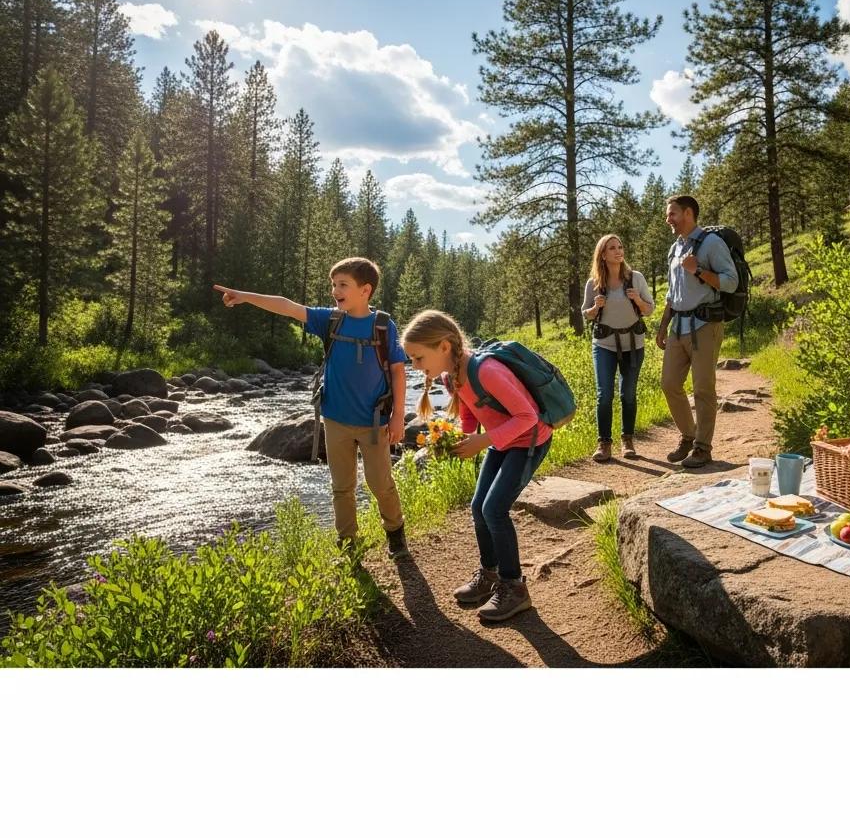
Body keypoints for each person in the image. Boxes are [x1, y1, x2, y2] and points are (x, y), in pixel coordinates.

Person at [213, 257, 409, 559]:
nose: (335, 290)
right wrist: (246, 297)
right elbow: (287, 306)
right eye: (333, 284)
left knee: (380, 483)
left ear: (365, 290)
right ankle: (348, 544)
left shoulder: (383, 325)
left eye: (342, 285)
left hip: (374, 422)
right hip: (335, 420)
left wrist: (398, 417)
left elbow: (397, 371)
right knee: (341, 486)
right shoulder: (329, 320)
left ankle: (395, 533)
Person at [402, 310, 552, 624]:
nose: (414, 366)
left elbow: (528, 417)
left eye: (417, 358)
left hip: (530, 440)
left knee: (495, 509)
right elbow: (473, 414)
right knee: (478, 507)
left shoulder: (487, 371)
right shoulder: (450, 376)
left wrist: (481, 443)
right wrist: (461, 439)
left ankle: (515, 587)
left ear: (444, 347)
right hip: (502, 441)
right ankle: (489, 574)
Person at [655, 194, 738, 468]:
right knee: (669, 383)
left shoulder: (711, 244)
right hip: (678, 326)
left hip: (705, 326)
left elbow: (730, 282)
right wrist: (663, 325)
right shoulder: (675, 248)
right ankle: (689, 436)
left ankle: (703, 447)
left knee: (703, 388)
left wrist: (699, 270)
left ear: (688, 213)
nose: (668, 219)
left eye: (672, 214)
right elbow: (672, 292)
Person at [581, 234, 655, 461]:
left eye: (620, 247)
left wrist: (638, 301)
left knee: (628, 394)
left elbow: (649, 309)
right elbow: (586, 313)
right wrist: (595, 308)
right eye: (612, 248)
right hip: (604, 345)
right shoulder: (594, 283)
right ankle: (604, 443)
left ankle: (627, 441)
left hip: (633, 344)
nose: (618, 251)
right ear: (602, 255)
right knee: (604, 395)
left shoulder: (636, 278)